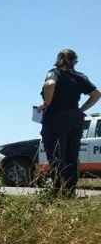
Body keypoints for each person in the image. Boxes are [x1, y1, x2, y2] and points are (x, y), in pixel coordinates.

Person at [38, 49, 100, 197]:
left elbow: (50, 84)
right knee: (71, 157)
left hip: (56, 119)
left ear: (58, 59)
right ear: (75, 62)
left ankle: (57, 192)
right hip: (75, 120)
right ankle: (69, 193)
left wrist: (46, 103)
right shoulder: (80, 77)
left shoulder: (55, 73)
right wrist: (81, 109)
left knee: (57, 156)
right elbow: (96, 94)